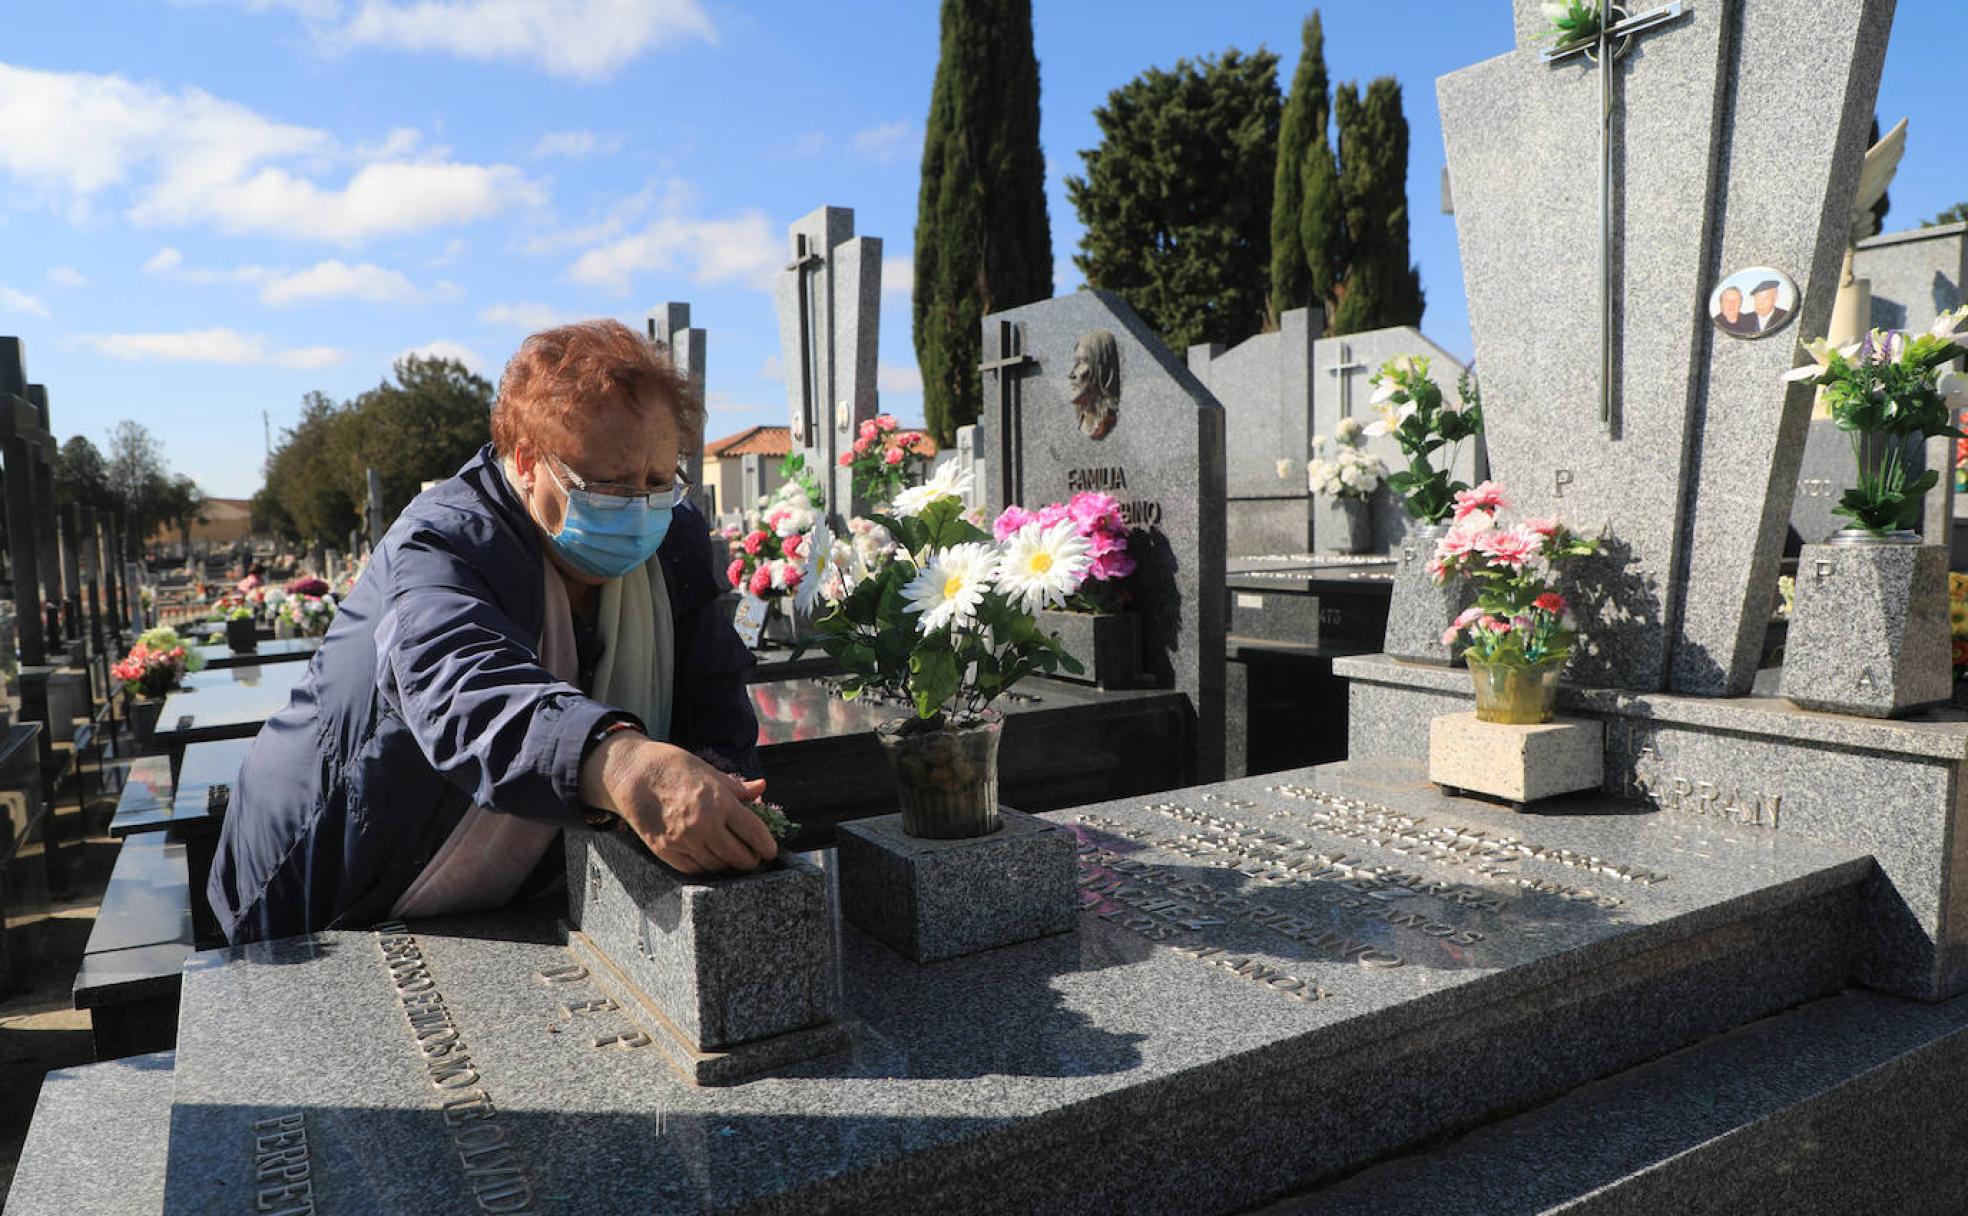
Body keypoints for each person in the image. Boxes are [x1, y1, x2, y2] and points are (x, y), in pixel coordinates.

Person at [209, 320, 775, 945]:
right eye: (609, 484)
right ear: (529, 463)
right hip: (332, 881)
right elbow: (459, 684)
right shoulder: (444, 539)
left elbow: (713, 683)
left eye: (657, 481)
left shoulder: (676, 538)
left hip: (512, 885)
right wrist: (619, 762)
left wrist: (723, 785)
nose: (640, 507)